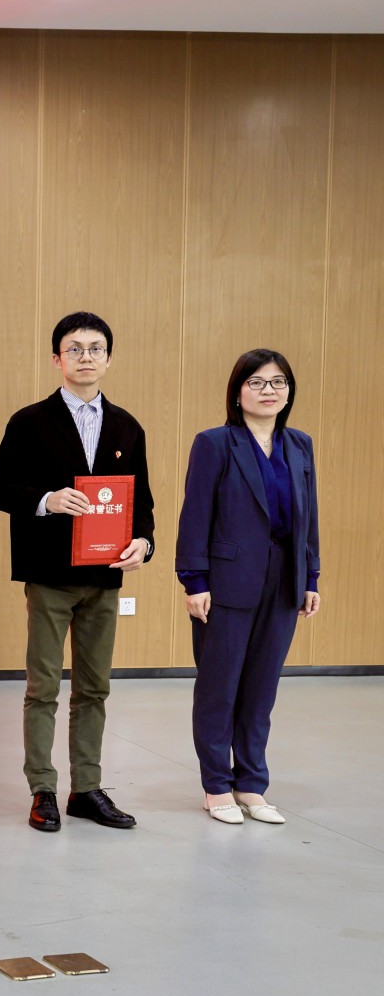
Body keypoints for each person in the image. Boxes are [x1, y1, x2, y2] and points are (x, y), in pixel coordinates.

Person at [0, 312, 154, 833]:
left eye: (95, 348)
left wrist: (143, 543)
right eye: (74, 349)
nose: (86, 357)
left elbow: (142, 504)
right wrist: (47, 500)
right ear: (57, 358)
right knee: (43, 687)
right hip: (49, 575)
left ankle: (86, 788)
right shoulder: (29, 421)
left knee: (95, 687)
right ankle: (42, 788)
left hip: (105, 576)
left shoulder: (127, 426)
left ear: (109, 358)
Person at [177, 349, 320, 826]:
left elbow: (308, 518)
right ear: (238, 393)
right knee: (219, 688)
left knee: (261, 689)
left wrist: (311, 576)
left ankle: (251, 784)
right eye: (256, 382)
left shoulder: (299, 445)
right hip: (227, 580)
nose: (268, 391)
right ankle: (217, 786)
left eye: (278, 382)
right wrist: (194, 580)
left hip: (284, 580)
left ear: (289, 392)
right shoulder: (215, 443)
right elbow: (195, 515)